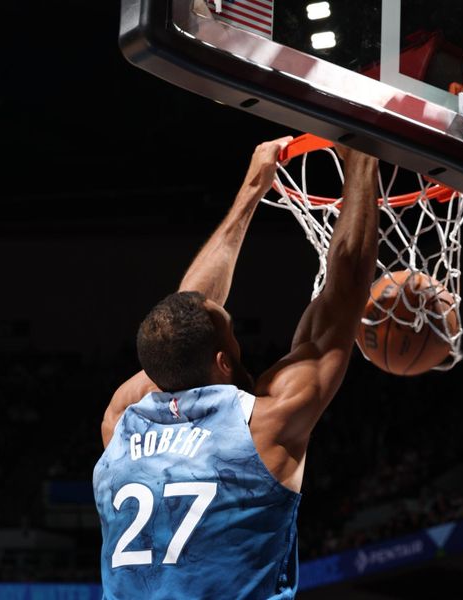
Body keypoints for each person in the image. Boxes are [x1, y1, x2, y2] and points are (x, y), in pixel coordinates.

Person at [93, 136, 379, 599]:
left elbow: (182, 324)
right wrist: (363, 155)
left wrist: (252, 188)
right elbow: (344, 294)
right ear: (223, 360)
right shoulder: (263, 427)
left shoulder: (120, 423)